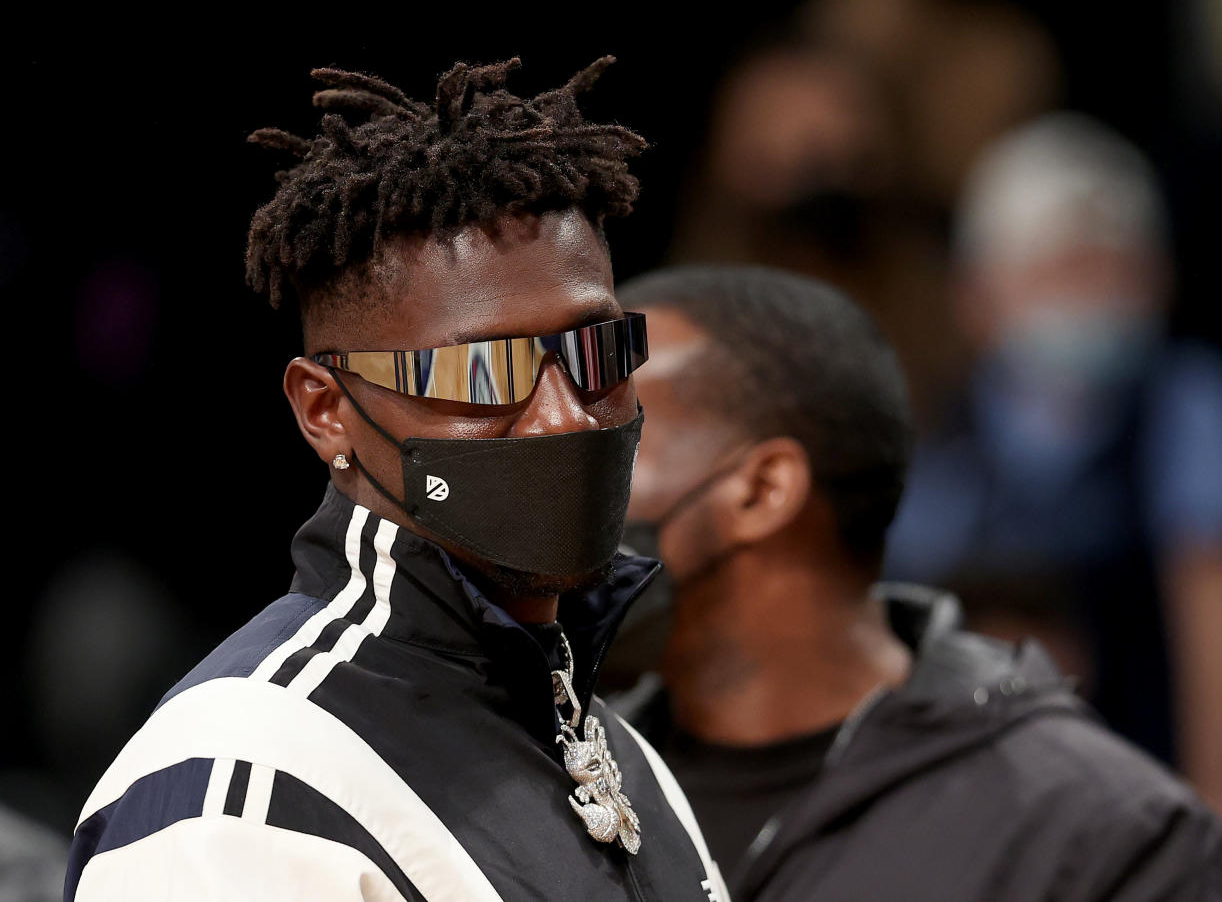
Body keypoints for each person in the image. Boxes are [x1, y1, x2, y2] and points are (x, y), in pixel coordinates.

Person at [65, 59, 728, 901]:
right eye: (485, 373)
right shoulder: (244, 785)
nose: (564, 416)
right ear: (326, 411)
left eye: (595, 353)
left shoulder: (622, 755)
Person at [614, 264, 1222, 900]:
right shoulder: (564, 785)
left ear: (764, 489)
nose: (563, 474)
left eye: (616, 435)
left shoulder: (1106, 839)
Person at [884, 113, 1222, 821]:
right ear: (977, 294)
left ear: (1161, 278)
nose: (1088, 291)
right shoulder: (936, 430)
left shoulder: (1186, 400)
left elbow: (1211, 594)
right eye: (1058, 267)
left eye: (1112, 264)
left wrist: (1219, 804)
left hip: (1157, 778)